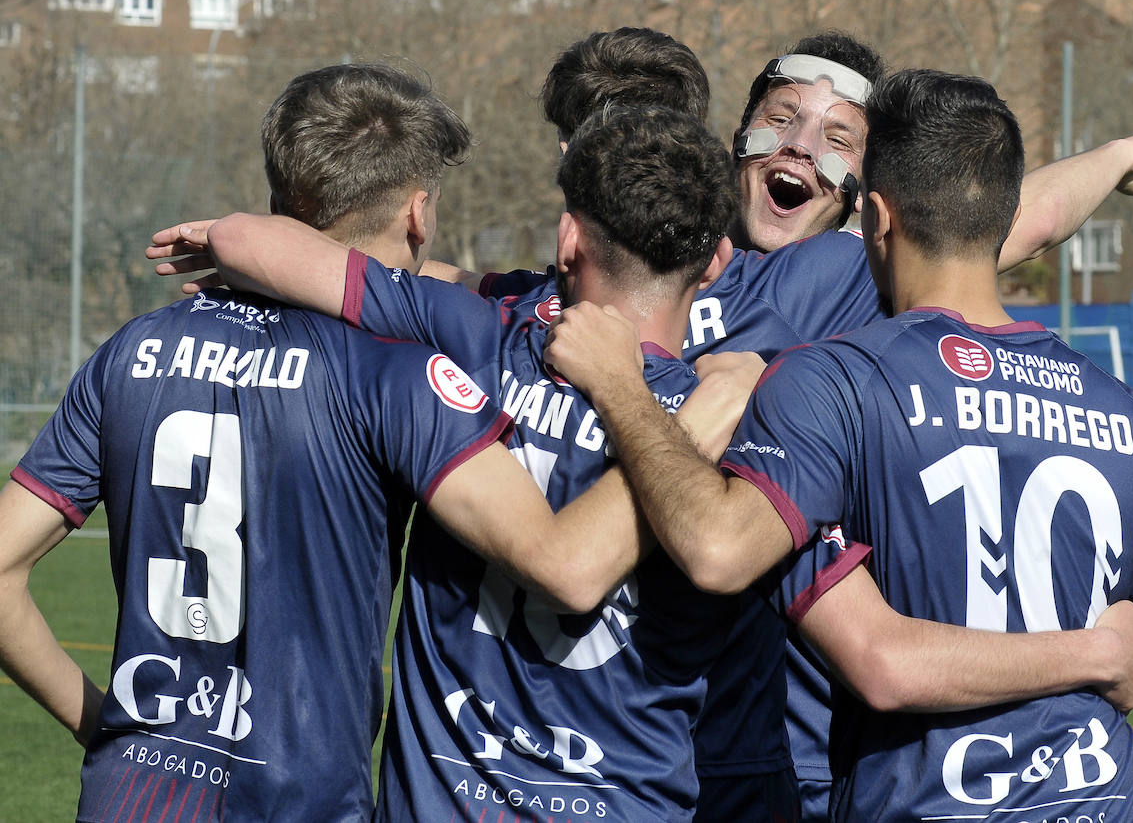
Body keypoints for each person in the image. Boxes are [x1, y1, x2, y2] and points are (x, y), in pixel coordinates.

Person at [0, 63, 701, 821]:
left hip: (127, 798)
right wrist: (687, 428)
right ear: (417, 213)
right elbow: (561, 563)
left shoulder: (132, 349)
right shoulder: (398, 375)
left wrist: (105, 728)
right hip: (299, 804)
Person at [544, 68, 1133, 821]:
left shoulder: (830, 385)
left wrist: (631, 387)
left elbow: (741, 563)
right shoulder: (1130, 414)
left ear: (873, 217)